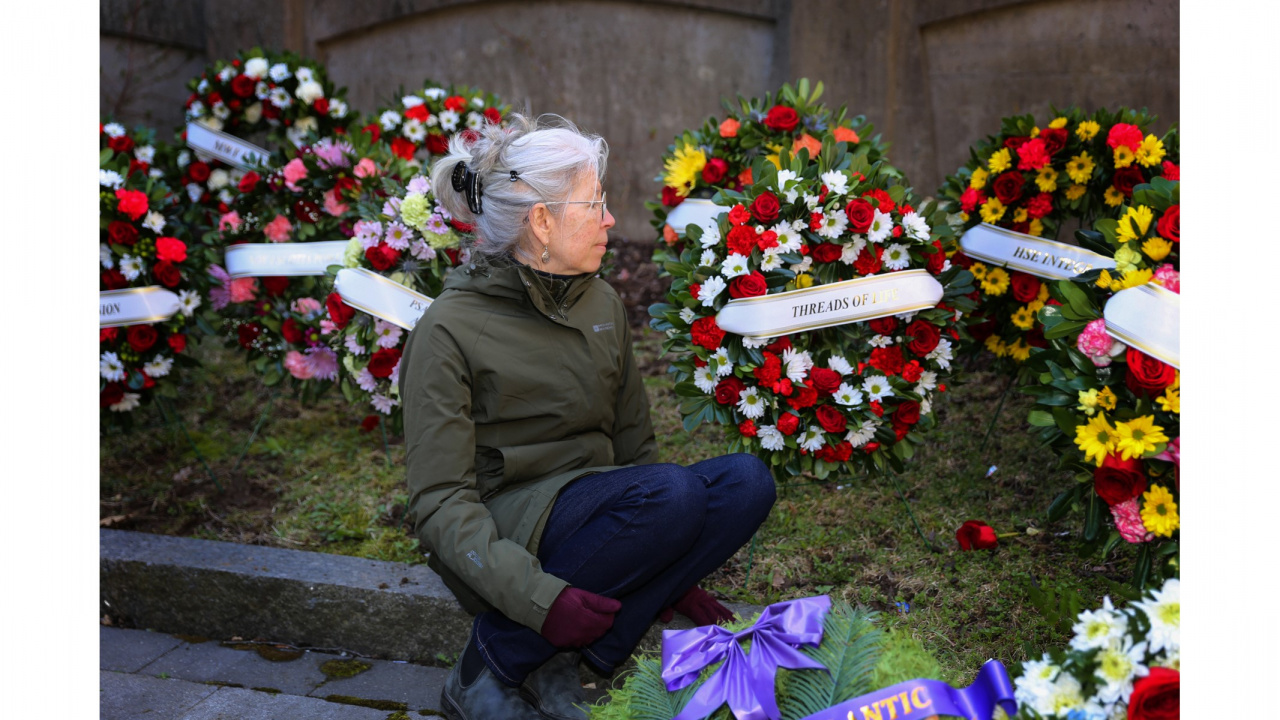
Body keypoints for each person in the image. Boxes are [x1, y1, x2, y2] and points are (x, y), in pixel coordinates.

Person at [400, 114, 776, 720]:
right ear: (541, 222)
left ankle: (576, 657)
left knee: (746, 483)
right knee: (675, 494)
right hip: (507, 526)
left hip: (595, 507)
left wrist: (670, 563)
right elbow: (440, 502)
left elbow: (635, 449)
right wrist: (541, 598)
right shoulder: (449, 329)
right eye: (594, 204)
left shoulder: (598, 301)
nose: (610, 221)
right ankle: (487, 666)